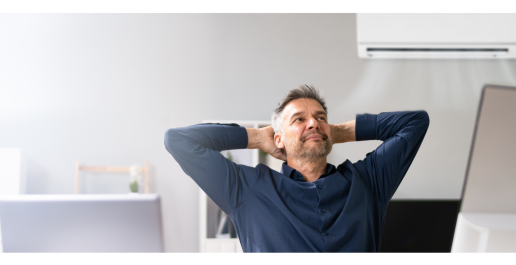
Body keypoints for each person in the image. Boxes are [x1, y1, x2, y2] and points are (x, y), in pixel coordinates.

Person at [164, 85, 429, 252]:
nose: (313, 123)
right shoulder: (248, 190)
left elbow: (416, 122)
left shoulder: (368, 182)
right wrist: (256, 137)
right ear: (278, 139)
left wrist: (339, 131)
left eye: (320, 118)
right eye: (299, 119)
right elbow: (178, 140)